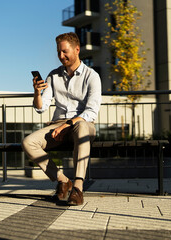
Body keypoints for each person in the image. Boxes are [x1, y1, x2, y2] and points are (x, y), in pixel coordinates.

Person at [22, 32, 102, 206]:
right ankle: (63, 180)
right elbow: (41, 108)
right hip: (57, 125)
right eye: (58, 52)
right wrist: (37, 92)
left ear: (77, 50)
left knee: (81, 128)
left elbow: (91, 111)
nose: (60, 56)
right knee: (28, 142)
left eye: (64, 52)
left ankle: (78, 188)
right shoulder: (53, 75)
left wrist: (68, 124)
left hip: (82, 123)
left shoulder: (92, 76)